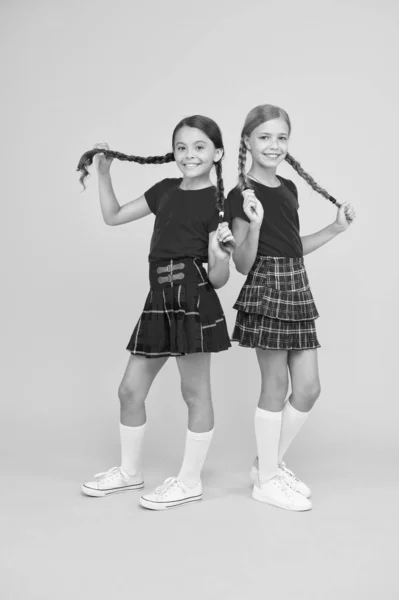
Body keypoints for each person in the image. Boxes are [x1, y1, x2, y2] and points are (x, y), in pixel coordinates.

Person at [77, 115, 235, 510]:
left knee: (194, 392)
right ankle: (130, 473)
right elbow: (112, 216)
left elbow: (219, 279)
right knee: (129, 390)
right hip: (158, 299)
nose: (189, 155)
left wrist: (219, 256)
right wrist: (103, 174)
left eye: (199, 147)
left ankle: (190, 481)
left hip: (195, 299)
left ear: (217, 154)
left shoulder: (221, 202)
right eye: (181, 147)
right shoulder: (164, 189)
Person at [227, 104, 355, 511]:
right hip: (266, 286)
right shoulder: (240, 194)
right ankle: (266, 479)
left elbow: (293, 248)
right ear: (247, 140)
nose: (274, 145)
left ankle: (266, 466)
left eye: (281, 137)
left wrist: (335, 229)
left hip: (296, 282)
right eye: (264, 137)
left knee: (309, 388)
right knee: (276, 387)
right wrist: (256, 224)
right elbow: (242, 264)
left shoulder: (288, 188)